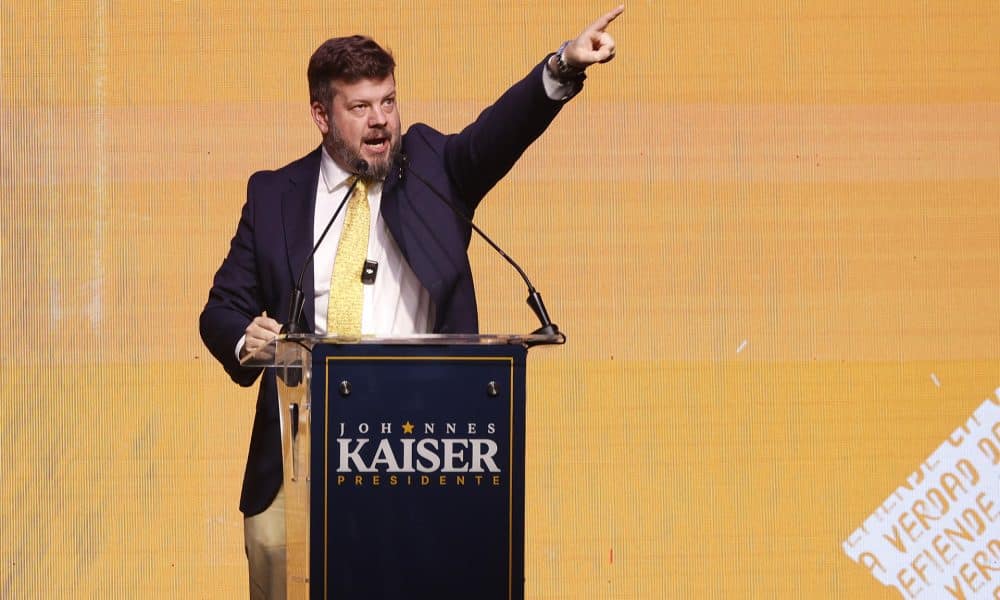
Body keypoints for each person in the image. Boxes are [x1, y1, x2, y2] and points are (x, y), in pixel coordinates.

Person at [199, 6, 623, 599]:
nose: (381, 122)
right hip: (302, 460)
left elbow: (501, 131)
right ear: (322, 115)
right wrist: (250, 337)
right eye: (361, 107)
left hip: (418, 450)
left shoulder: (432, 168)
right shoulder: (274, 195)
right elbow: (220, 309)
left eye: (389, 102)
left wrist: (562, 66)